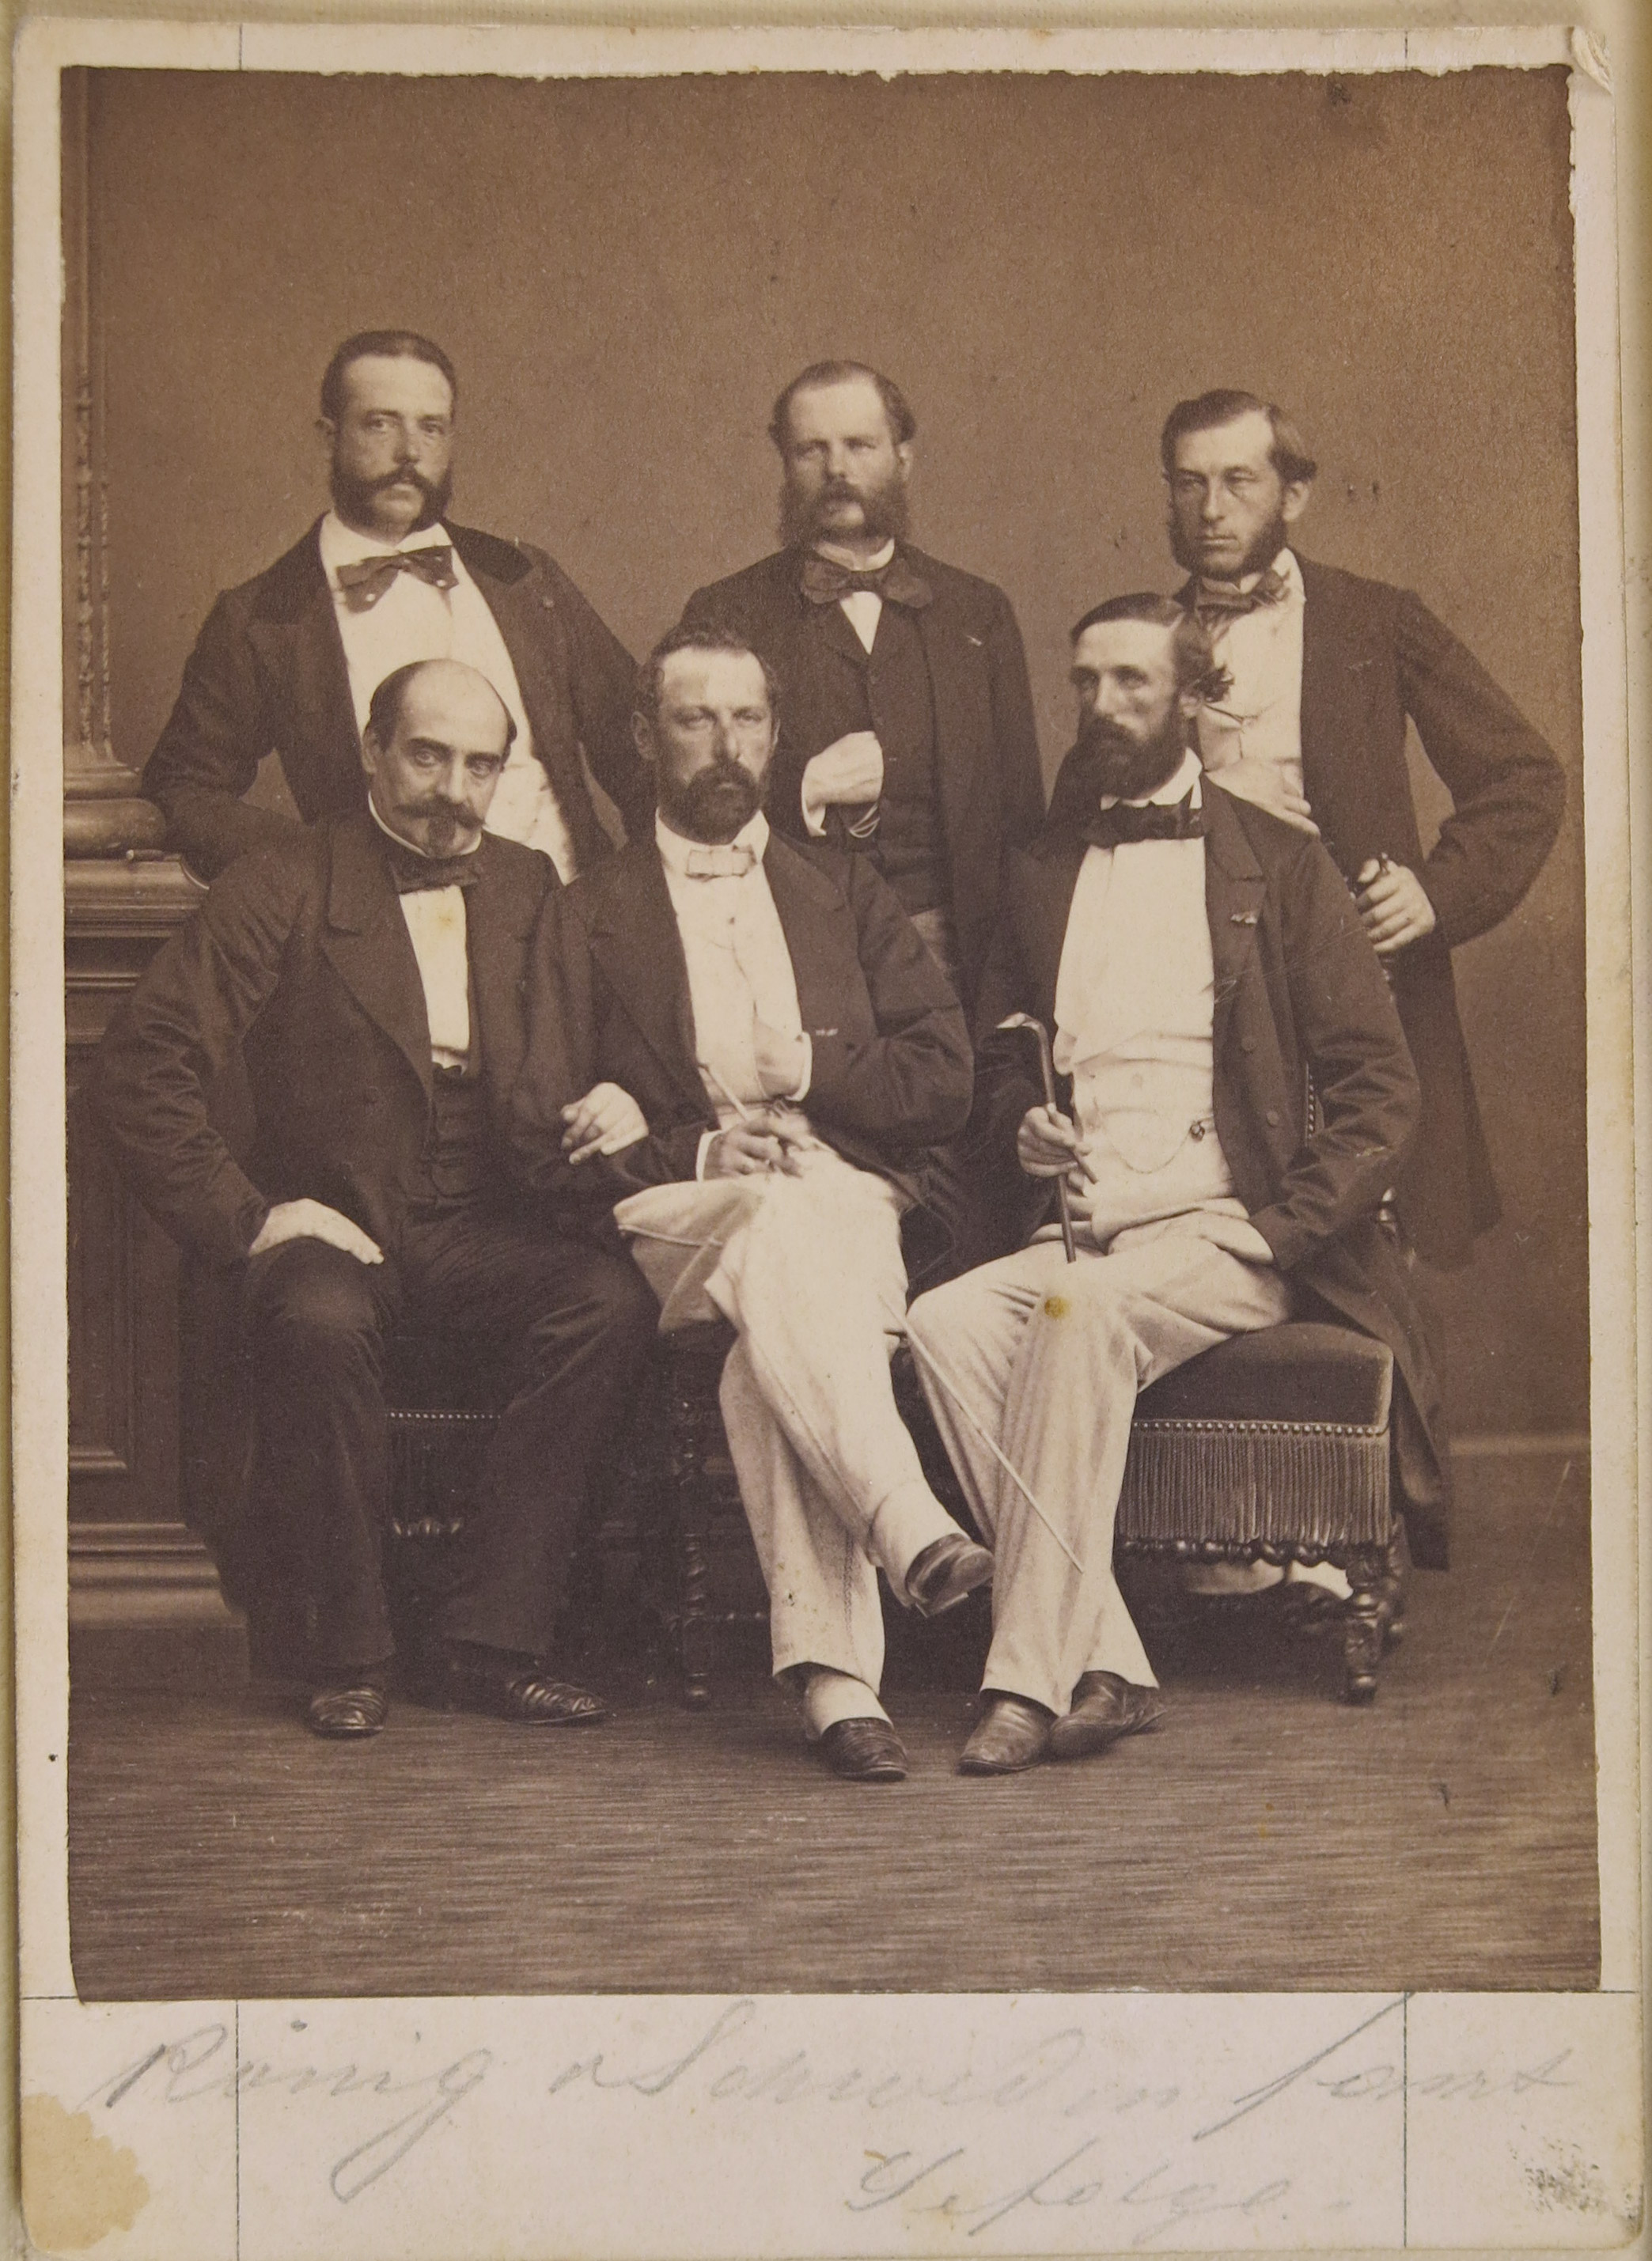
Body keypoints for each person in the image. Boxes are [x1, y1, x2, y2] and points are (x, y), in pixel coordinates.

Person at [907, 596, 1449, 1774]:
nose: (1100, 706)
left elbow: (1380, 1085)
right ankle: (1112, 1658)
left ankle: (1024, 1677)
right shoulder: (1044, 866)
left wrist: (1280, 1227)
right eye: (1085, 681)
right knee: (942, 1323)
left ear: (1194, 698)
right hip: (1087, 1226)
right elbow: (999, 1056)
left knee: (1073, 1311)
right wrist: (1023, 1124)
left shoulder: (1284, 864)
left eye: (1132, 683)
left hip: (1226, 1231)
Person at [93, 658, 657, 1740]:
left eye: (479, 765)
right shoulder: (282, 880)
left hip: (485, 1221)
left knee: (606, 1301)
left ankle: (491, 1641)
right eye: (427, 756)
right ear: (371, 750)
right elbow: (140, 1064)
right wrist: (254, 1214)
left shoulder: (531, 881)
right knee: (318, 1315)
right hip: (337, 1222)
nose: (453, 789)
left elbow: (601, 1035)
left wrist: (622, 1091)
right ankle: (350, 1653)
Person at [510, 623, 991, 1784]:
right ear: (645, 738)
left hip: (844, 1197)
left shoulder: (844, 890)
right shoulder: (586, 909)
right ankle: (900, 1512)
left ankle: (837, 1687)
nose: (724, 744)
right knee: (772, 1226)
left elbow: (947, 1080)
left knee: (763, 1352)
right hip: (680, 1216)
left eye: (746, 718)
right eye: (694, 718)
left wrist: (814, 1072)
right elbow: (535, 1132)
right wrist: (691, 1141)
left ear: (775, 737)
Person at [1061, 388, 1563, 1268]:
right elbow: (1076, 812)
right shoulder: (1138, 647)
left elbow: (1523, 777)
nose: (1212, 508)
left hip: (1353, 976)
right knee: (1212, 1237)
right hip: (1204, 995)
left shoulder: (1376, 619)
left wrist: (1436, 893)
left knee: (1372, 1243)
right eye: (1190, 483)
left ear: (1293, 494)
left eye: (1239, 481)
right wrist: (1209, 787)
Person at [142, 329, 651, 883]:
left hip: (564, 912)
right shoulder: (263, 618)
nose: (410, 453)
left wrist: (641, 892)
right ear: (329, 437)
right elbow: (183, 787)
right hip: (386, 924)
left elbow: (643, 745)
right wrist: (323, 864)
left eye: (431, 428)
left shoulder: (525, 578)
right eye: (381, 424)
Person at [679, 361, 1044, 1013]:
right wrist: (804, 788)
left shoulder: (977, 612)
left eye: (859, 445)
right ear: (785, 464)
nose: (837, 469)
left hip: (954, 955)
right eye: (811, 450)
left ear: (904, 458)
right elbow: (682, 798)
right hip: (788, 946)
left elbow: (1020, 816)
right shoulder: (726, 612)